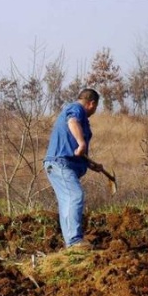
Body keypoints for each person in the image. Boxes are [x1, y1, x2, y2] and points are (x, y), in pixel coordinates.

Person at [43, 88, 104, 250]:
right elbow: (72, 122)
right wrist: (82, 142)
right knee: (75, 196)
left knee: (67, 202)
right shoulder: (76, 109)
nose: (94, 111)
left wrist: (91, 164)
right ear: (92, 103)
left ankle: (71, 243)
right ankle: (74, 241)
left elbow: (75, 148)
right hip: (60, 163)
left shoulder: (80, 115)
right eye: (96, 107)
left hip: (61, 163)